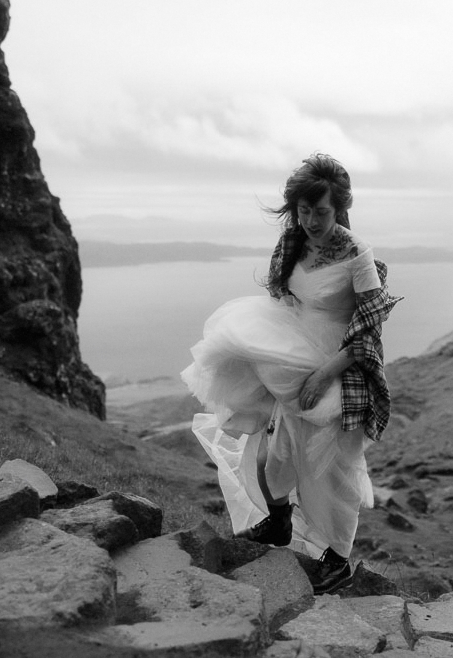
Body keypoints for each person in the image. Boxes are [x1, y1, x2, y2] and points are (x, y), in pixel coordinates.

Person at [181, 153, 400, 595]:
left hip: (341, 365)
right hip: (295, 358)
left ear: (340, 209)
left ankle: (338, 560)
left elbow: (370, 330)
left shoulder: (359, 255)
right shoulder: (292, 243)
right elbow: (283, 303)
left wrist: (323, 374)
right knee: (274, 459)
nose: (310, 220)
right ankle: (279, 523)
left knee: (333, 470)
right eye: (302, 210)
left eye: (320, 211)